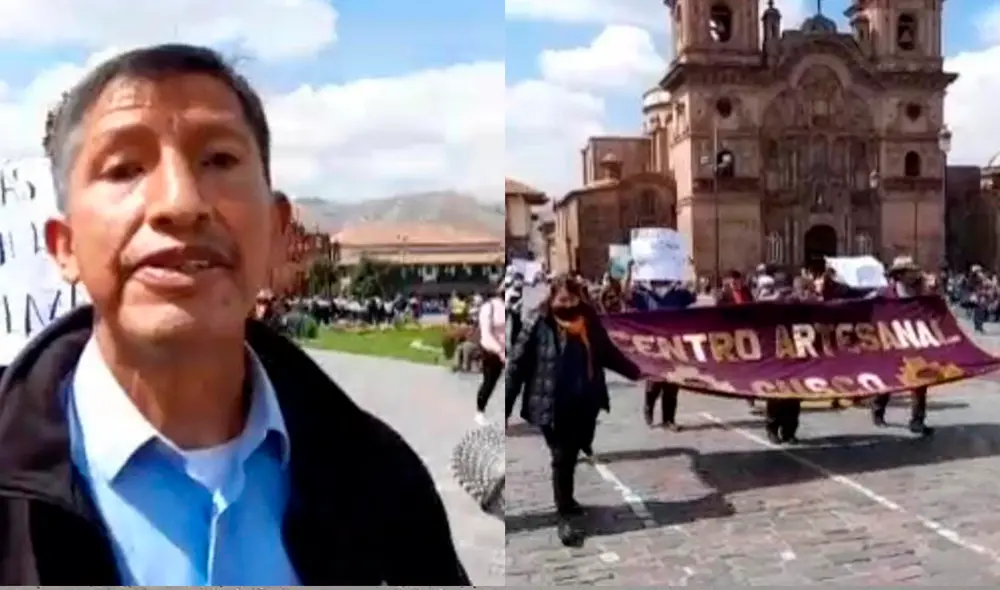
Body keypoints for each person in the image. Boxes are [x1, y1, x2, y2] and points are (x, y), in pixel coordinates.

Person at [0, 44, 468, 585]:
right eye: (125, 167)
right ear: (65, 246)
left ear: (276, 230)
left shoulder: (381, 479)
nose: (179, 203)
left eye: (219, 160)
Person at [505, 275, 641, 546]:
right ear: (552, 299)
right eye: (562, 300)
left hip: (585, 401)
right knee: (562, 456)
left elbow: (607, 353)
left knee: (574, 450)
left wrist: (636, 371)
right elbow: (517, 366)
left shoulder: (588, 320)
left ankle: (568, 500)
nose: (567, 305)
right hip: (552, 403)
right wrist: (504, 409)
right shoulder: (537, 321)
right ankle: (564, 513)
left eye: (572, 299)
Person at [623, 263, 696, 429]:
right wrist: (630, 272)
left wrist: (691, 269)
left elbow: (694, 293)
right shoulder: (644, 296)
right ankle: (648, 407)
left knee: (673, 384)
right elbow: (625, 295)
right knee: (655, 381)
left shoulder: (679, 294)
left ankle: (668, 420)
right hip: (653, 346)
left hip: (674, 345)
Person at [869, 256, 933, 437]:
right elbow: (872, 312)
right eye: (908, 272)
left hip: (915, 342)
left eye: (913, 271)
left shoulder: (920, 293)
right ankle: (878, 409)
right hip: (891, 342)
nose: (912, 275)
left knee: (920, 382)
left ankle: (917, 420)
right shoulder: (885, 294)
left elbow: (931, 312)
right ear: (900, 274)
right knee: (890, 378)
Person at [475, 281, 506, 425]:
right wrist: (500, 352)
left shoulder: (508, 305)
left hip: (505, 349)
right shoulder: (489, 307)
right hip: (490, 351)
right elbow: (486, 335)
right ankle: (480, 412)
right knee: (489, 382)